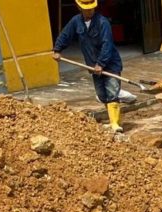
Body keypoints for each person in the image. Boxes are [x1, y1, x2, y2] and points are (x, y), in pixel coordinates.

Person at [52, 0, 125, 132]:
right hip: (93, 66)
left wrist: (101, 64)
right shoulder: (76, 21)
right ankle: (111, 119)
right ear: (79, 7)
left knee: (112, 93)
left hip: (110, 64)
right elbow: (65, 35)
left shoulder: (102, 22)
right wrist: (57, 50)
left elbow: (107, 44)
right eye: (86, 9)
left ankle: (115, 124)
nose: (89, 11)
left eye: (91, 8)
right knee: (102, 95)